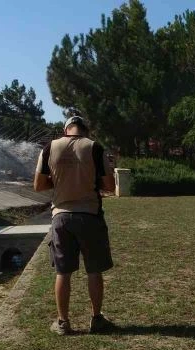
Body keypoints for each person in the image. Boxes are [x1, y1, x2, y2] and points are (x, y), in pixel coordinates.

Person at [34, 116, 116, 335]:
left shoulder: (50, 148)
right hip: (89, 215)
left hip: (61, 216)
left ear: (65, 130)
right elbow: (109, 185)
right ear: (84, 131)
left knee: (63, 272)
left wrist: (59, 180)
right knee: (94, 271)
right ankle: (96, 319)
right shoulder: (94, 148)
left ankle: (63, 322)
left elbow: (38, 185)